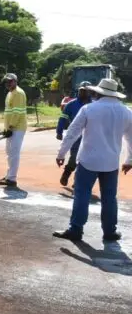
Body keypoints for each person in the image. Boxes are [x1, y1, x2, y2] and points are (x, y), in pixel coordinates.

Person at [53, 78, 132, 243]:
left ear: (97, 92)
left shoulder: (89, 109)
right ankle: (110, 232)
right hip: (111, 163)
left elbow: (72, 132)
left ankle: (76, 230)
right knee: (109, 198)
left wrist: (61, 154)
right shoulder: (126, 112)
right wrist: (129, 159)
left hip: (88, 161)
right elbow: (131, 138)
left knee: (82, 195)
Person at [56, 81, 93, 186]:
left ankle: (77, 181)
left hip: (90, 137)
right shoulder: (71, 104)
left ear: (89, 92)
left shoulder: (94, 105)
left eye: (85, 91)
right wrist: (59, 131)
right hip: (75, 137)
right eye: (81, 90)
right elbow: (63, 118)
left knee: (85, 161)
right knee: (75, 157)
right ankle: (67, 173)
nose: (82, 93)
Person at [0, 73, 27, 188]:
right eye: (6, 82)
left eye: (10, 81)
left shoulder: (18, 93)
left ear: (15, 81)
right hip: (11, 128)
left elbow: (17, 112)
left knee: (14, 154)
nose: (7, 84)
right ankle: (9, 176)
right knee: (9, 153)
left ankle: (12, 179)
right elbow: (9, 112)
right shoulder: (10, 93)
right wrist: (7, 128)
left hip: (17, 128)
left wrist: (11, 127)